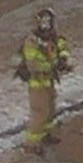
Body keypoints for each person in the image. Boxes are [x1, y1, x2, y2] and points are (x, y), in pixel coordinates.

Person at [18, 8, 72, 154]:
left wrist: (63, 58)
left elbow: (62, 46)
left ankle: (46, 135)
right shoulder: (32, 41)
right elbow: (33, 64)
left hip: (48, 81)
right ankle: (31, 144)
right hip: (37, 83)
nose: (46, 25)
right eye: (43, 22)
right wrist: (52, 66)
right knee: (40, 113)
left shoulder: (53, 37)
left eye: (48, 22)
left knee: (50, 110)